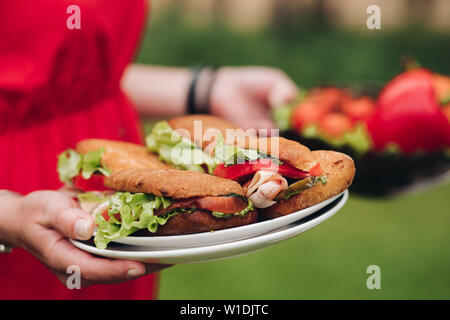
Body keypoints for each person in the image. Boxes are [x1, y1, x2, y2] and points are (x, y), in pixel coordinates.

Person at [0, 0, 298, 299]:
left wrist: (203, 88)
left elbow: (71, 73)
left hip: (111, 173)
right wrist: (9, 217)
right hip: (22, 202)